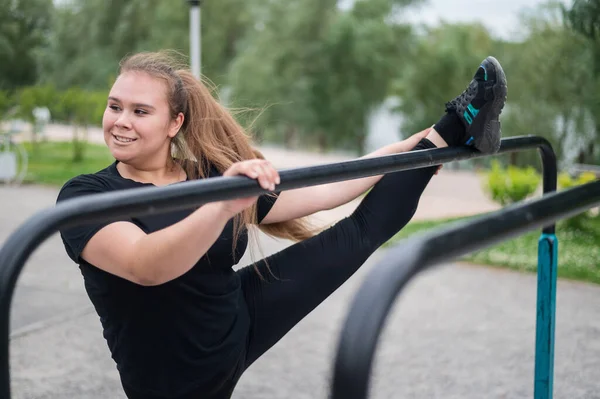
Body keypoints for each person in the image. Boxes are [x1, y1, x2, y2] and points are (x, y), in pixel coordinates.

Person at [56, 50, 507, 399]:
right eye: (115, 106)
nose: (120, 122)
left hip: (238, 319)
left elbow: (332, 186)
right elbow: (145, 266)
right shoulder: (86, 196)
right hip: (168, 378)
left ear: (175, 122)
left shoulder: (208, 177)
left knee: (358, 233)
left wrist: (426, 144)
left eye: (139, 111)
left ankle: (456, 123)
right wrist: (221, 206)